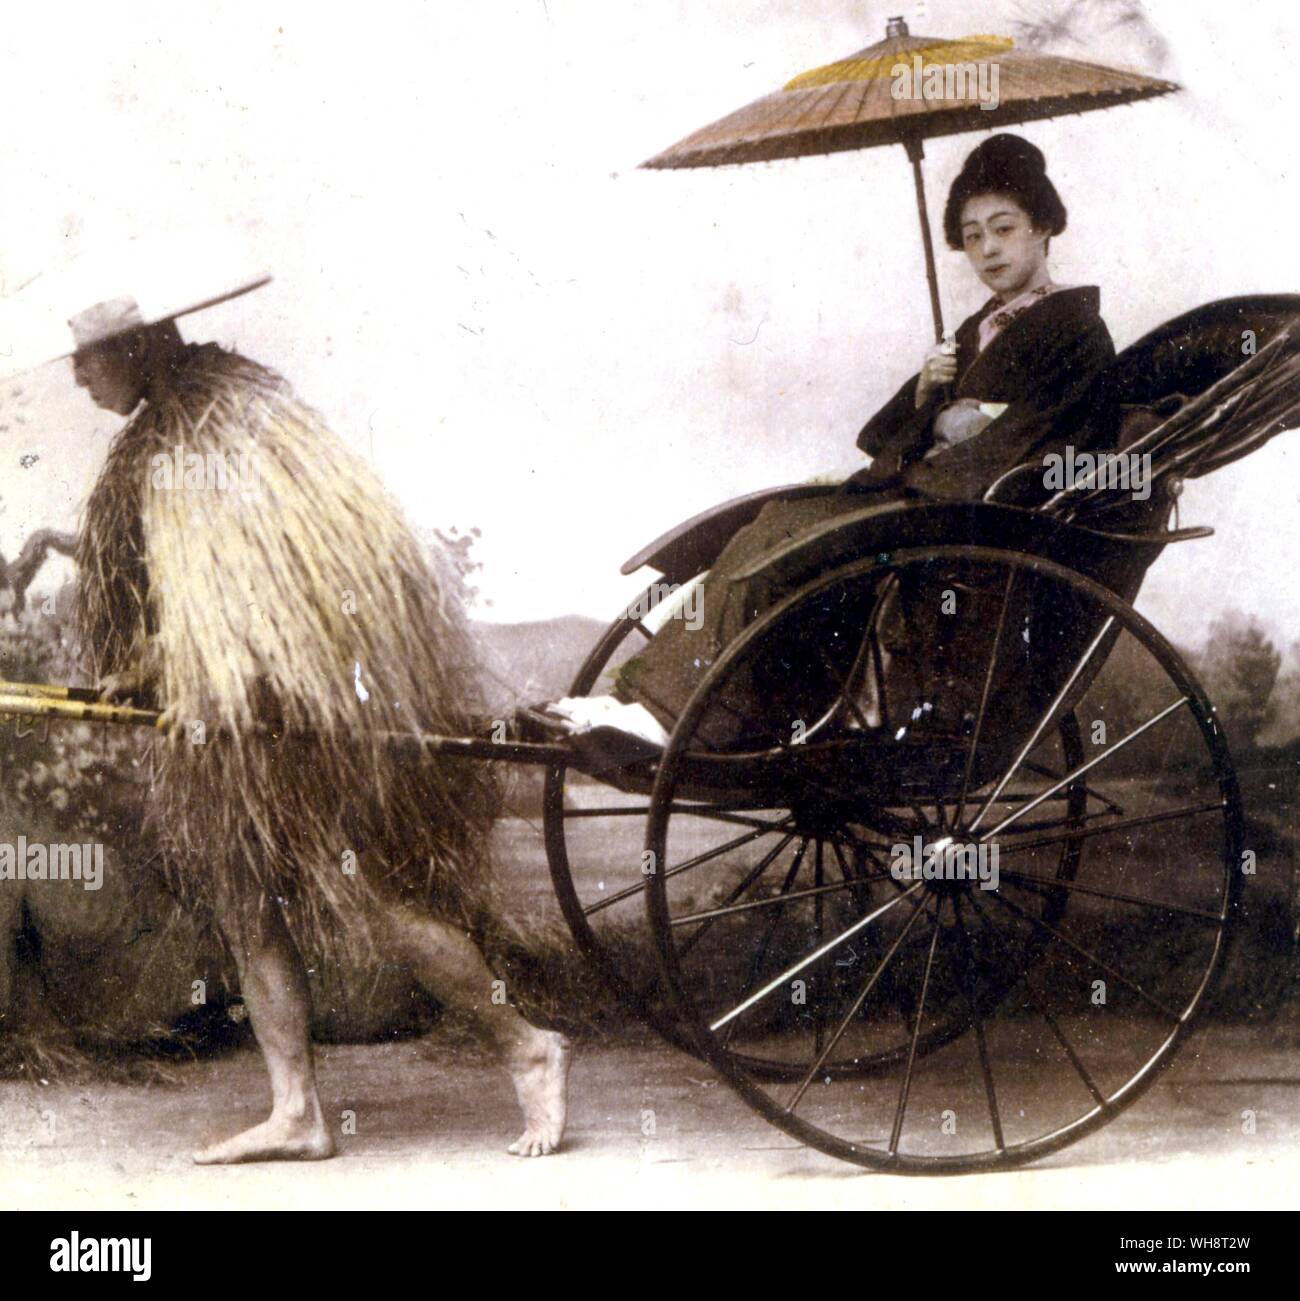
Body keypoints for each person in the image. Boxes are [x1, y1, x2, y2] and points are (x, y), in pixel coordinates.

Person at [73, 301, 570, 1162]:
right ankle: (298, 1110)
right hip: (226, 738)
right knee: (247, 916)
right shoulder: (178, 430)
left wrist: (216, 676)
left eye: (87, 358)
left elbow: (264, 602)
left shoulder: (222, 429)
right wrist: (156, 666)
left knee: (376, 904)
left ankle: (528, 1044)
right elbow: (204, 606)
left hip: (285, 729)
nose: (77, 375)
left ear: (137, 345)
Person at [543, 133, 1118, 744]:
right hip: (925, 495)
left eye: (1003, 228)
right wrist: (928, 394)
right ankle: (653, 704)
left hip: (969, 513)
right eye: (972, 235)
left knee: (780, 544)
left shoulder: (1078, 330)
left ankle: (671, 716)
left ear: (1044, 227)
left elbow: (1047, 440)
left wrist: (951, 430)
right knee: (765, 529)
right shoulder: (975, 330)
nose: (987, 249)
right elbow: (877, 435)